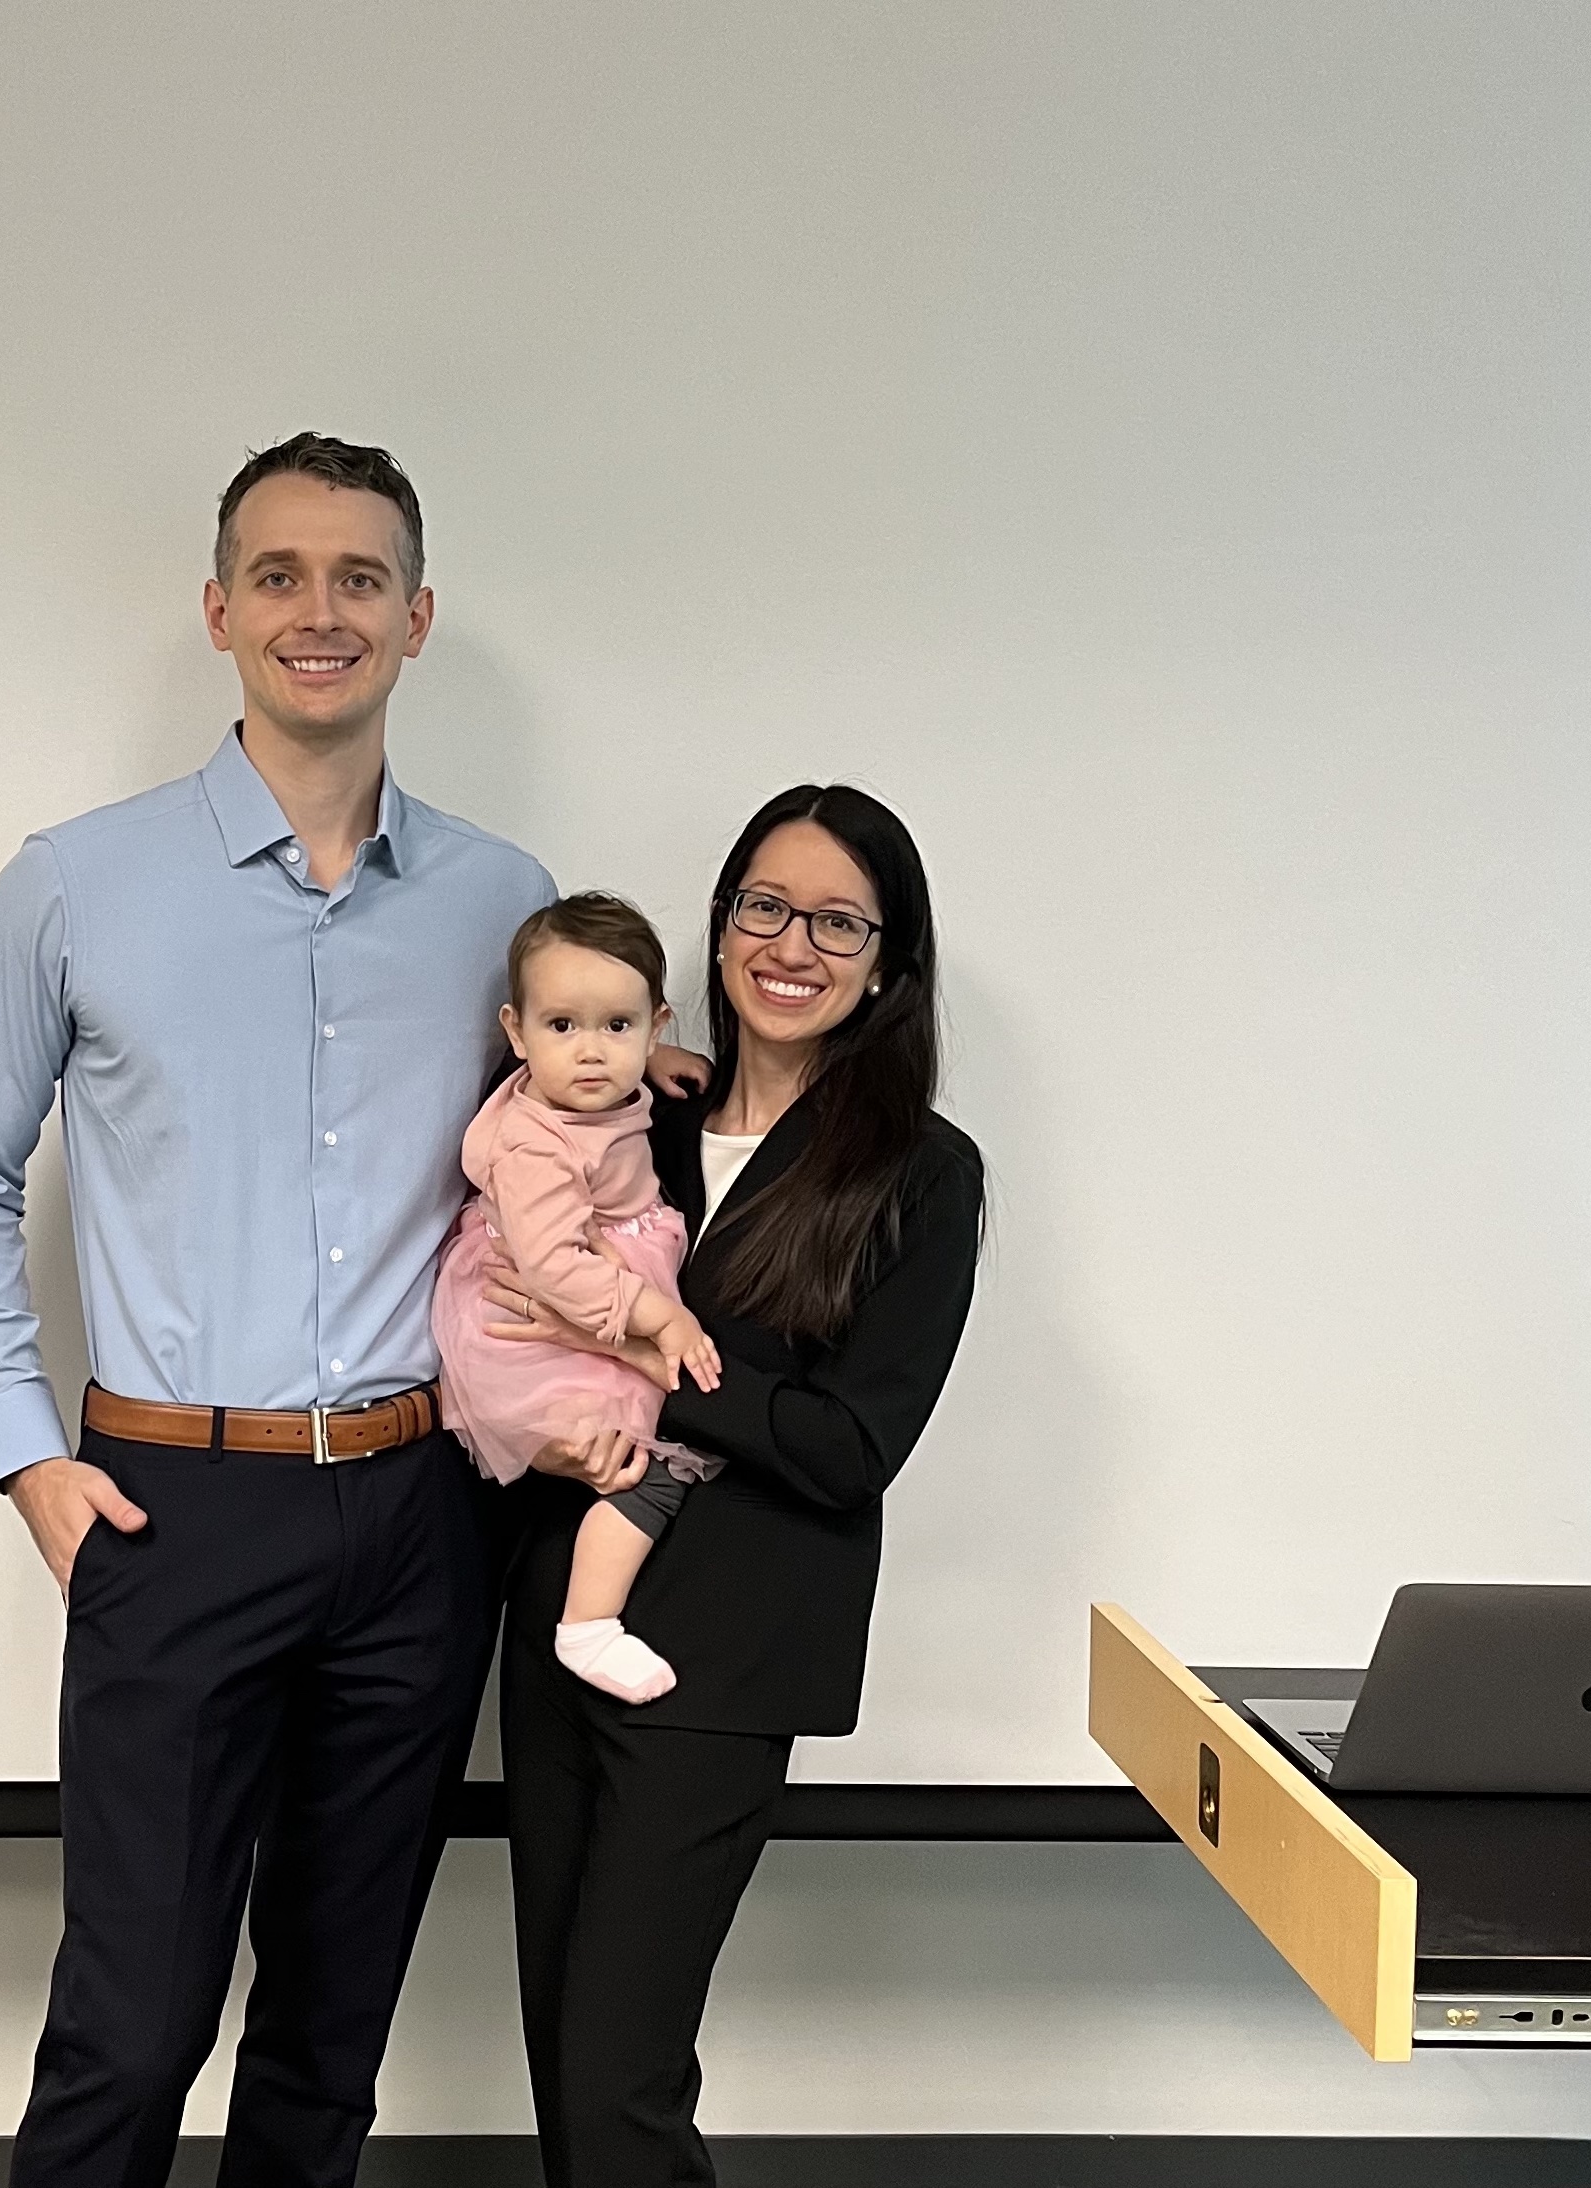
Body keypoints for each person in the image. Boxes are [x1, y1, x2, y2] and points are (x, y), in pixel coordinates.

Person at [0, 435, 705, 2188]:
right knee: (128, 2024)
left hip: (418, 1511)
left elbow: (584, 1150)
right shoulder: (73, 881)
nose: (316, 609)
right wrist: (25, 1457)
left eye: (357, 577)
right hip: (170, 1502)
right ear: (217, 610)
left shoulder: (506, 901)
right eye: (277, 573)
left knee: (326, 2038)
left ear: (414, 617)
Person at [486, 784, 984, 2188]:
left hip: (728, 1659)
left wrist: (661, 1357)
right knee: (565, 2060)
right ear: (717, 932)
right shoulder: (622, 1116)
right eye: (764, 906)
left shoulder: (919, 1175)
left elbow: (848, 1447)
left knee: (618, 2076)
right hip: (558, 1621)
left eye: (838, 920)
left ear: (887, 961)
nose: (792, 942)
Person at [431, 893, 724, 1707]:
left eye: (616, 1027)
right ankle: (587, 1623)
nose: (590, 1053)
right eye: (562, 1027)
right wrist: (657, 1315)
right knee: (650, 1466)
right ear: (515, 1033)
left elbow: (613, 1060)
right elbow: (556, 1268)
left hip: (587, 1299)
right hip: (539, 1329)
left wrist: (652, 1063)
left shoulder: (592, 1092)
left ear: (655, 1025)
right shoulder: (533, 1143)